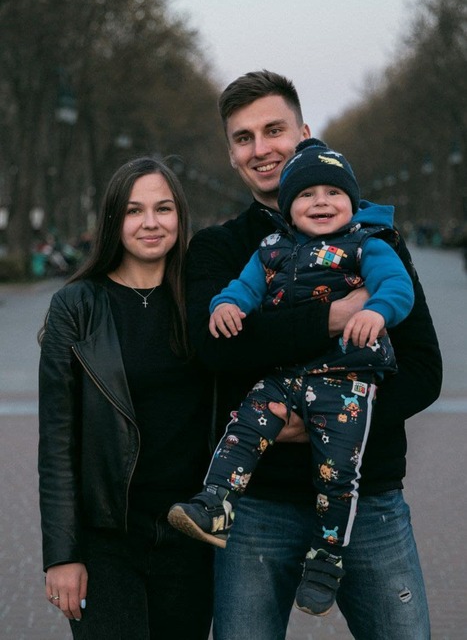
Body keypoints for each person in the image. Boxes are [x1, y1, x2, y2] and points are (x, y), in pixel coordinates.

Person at [184, 71, 442, 639]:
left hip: (369, 501)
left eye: (273, 130)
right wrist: (332, 317)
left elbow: (424, 369)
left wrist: (339, 421)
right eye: (244, 137)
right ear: (231, 154)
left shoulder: (375, 240)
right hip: (256, 506)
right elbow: (214, 350)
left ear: (303, 135)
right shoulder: (219, 248)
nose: (261, 148)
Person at [38, 158, 213, 639]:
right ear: (114, 219)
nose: (150, 223)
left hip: (191, 533)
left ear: (180, 216)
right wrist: (62, 554)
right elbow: (57, 441)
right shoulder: (77, 306)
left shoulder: (205, 301)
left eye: (163, 208)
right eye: (135, 210)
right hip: (107, 541)